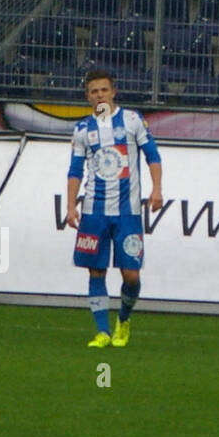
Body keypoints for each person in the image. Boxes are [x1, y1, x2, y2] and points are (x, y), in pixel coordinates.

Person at [64, 70, 163, 348]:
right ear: (87, 96)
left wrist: (157, 189)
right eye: (94, 91)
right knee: (96, 270)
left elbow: (153, 155)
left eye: (104, 90)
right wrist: (71, 205)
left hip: (127, 212)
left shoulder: (132, 120)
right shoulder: (82, 129)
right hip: (94, 212)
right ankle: (102, 332)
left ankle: (124, 318)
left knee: (131, 274)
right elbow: (75, 170)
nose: (100, 96)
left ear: (113, 92)